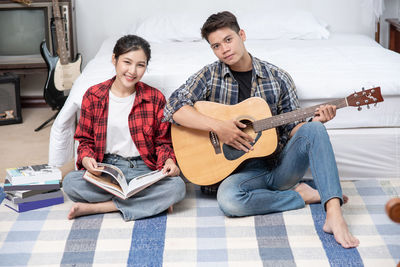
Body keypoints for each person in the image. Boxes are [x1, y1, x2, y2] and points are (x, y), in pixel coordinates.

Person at [164, 11, 359, 248]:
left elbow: (291, 133)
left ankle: (334, 214)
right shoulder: (209, 75)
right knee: (229, 201)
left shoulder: (278, 78)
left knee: (315, 130)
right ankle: (300, 195)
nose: (224, 49)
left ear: (242, 35)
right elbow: (174, 106)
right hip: (237, 175)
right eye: (216, 46)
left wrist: (315, 123)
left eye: (228, 39)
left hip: (278, 167)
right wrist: (219, 127)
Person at [63, 35, 186, 221]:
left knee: (177, 187)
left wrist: (169, 162)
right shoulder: (93, 96)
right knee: (70, 183)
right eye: (127, 62)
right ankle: (150, 203)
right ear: (114, 59)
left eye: (140, 65)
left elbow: (163, 142)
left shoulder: (155, 98)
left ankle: (102, 207)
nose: (132, 71)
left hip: (145, 168)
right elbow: (85, 139)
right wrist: (87, 158)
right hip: (107, 168)